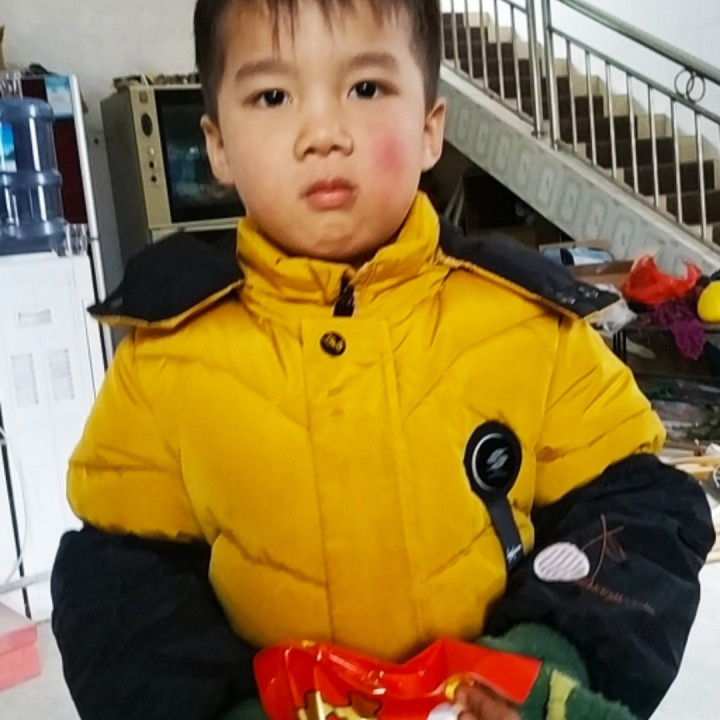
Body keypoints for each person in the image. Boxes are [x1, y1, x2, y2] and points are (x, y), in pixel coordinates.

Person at [51, 1, 714, 719]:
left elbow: (640, 511)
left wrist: (540, 665)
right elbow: (120, 585)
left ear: (430, 128)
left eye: (365, 88)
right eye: (272, 96)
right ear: (217, 146)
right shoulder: (165, 358)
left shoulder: (530, 325)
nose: (323, 134)